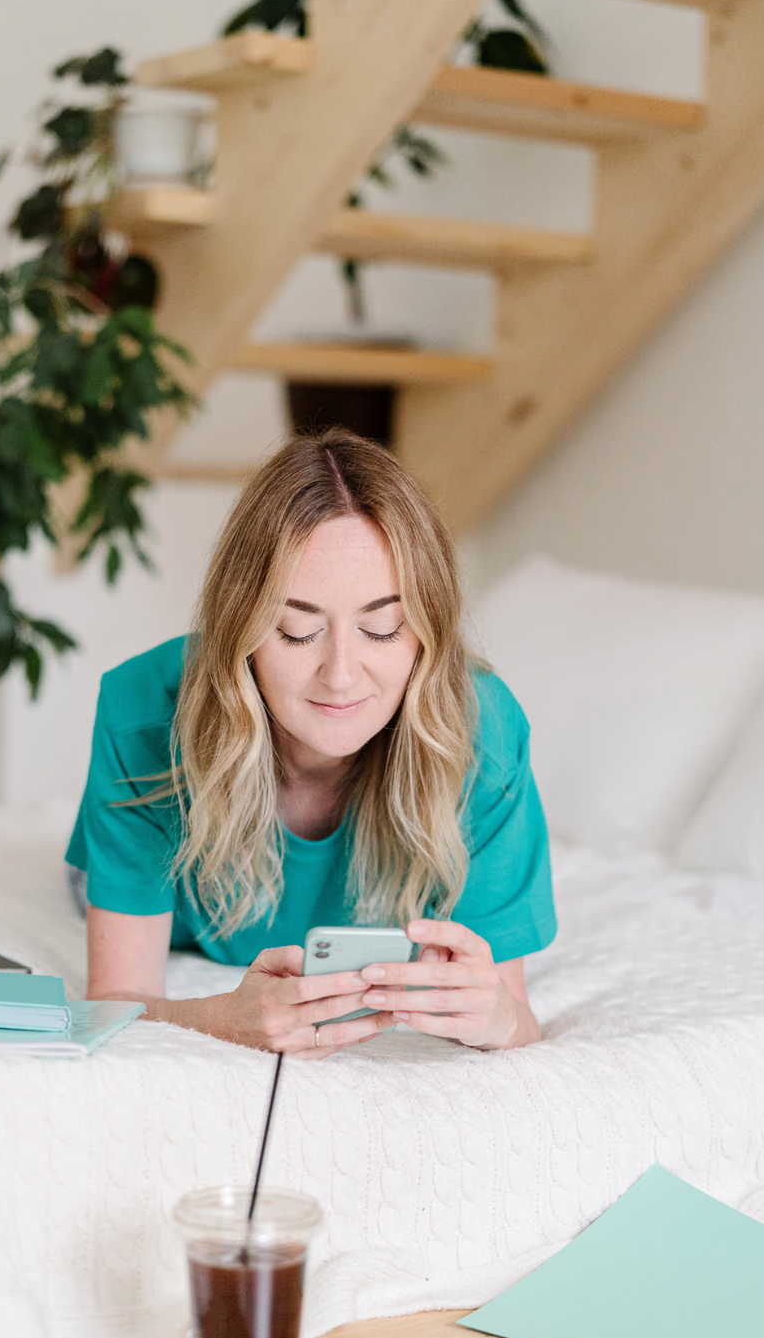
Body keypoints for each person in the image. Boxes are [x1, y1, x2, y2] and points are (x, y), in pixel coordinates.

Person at [67, 429, 555, 1059]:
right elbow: (113, 1003)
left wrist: (493, 1019)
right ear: (239, 627)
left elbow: (515, 1014)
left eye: (382, 628)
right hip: (158, 895)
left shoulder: (484, 732)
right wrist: (223, 1020)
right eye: (297, 631)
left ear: (427, 633)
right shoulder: (144, 713)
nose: (341, 674)